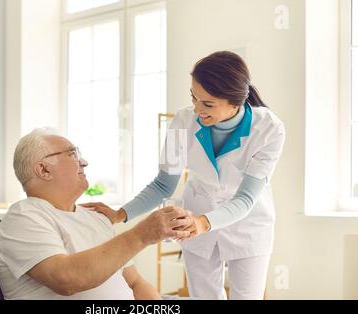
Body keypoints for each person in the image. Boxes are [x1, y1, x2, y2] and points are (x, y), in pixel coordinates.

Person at [83, 51, 286, 300]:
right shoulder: (183, 121)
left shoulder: (269, 129)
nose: (197, 109)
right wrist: (120, 215)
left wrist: (202, 222)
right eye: (194, 98)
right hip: (194, 217)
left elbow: (244, 200)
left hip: (248, 223)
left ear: (236, 103)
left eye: (208, 104)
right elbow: (162, 185)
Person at [0, 128, 191, 300]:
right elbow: (66, 279)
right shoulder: (24, 216)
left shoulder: (96, 219)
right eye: (72, 154)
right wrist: (142, 234)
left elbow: (136, 283)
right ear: (43, 169)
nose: (84, 162)